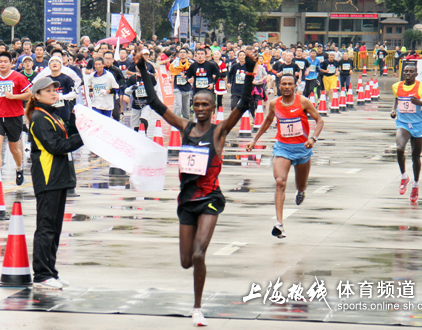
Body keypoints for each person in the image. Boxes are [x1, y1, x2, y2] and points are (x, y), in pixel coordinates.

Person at [136, 48, 256, 327]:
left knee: (200, 254)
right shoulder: (185, 127)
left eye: (206, 105)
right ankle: (195, 287)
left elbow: (244, 103)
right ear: (193, 107)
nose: (201, 109)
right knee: (186, 262)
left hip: (211, 199)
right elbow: (154, 102)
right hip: (187, 200)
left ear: (213, 108)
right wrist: (142, 69)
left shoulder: (220, 131)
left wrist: (249, 72)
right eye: (197, 105)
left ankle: (197, 308)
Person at [246, 75, 324, 238]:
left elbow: (319, 120)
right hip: (282, 148)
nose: (287, 86)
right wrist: (254, 140)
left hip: (303, 148)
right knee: (280, 182)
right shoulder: (275, 104)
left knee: (300, 185)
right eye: (284, 84)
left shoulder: (303, 102)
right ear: (279, 87)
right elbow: (267, 121)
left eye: (290, 84)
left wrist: (313, 138)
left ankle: (301, 191)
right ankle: (279, 224)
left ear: (295, 86)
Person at [26, 77, 83, 289]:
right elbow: (57, 146)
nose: (53, 93)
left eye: (54, 90)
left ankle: (51, 271)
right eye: (47, 90)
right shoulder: (39, 117)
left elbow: (66, 133)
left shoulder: (52, 114)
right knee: (46, 227)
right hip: (48, 177)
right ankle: (41, 275)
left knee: (55, 228)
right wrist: (84, 138)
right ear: (37, 95)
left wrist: (77, 122)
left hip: (58, 177)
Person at [391, 63, 422, 204]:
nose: (408, 74)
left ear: (416, 74)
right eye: (406, 71)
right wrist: (394, 110)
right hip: (403, 124)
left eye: (411, 72)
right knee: (399, 149)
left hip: (418, 126)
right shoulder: (397, 86)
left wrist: (421, 102)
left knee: (415, 157)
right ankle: (404, 176)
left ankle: (415, 185)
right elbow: (397, 98)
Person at [0, 52, 32, 185]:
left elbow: (29, 95)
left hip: (14, 116)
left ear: (11, 63)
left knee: (14, 149)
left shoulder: (18, 77)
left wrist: (14, 97)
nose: (3, 64)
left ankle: (19, 168)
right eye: (0, 61)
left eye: (6, 61)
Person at [169, 48, 192, 119]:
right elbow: (172, 71)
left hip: (187, 87)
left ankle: (186, 122)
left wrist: (189, 78)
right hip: (177, 86)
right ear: (178, 54)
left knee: (186, 106)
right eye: (181, 52)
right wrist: (171, 78)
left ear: (187, 54)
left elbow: (193, 74)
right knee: (178, 104)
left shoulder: (190, 64)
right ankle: (176, 120)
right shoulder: (175, 63)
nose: (182, 53)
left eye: (184, 52)